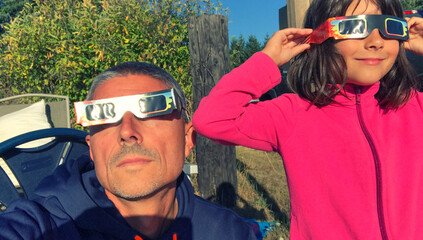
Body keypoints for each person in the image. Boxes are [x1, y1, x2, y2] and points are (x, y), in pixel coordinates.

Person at [192, 0, 423, 239]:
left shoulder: (414, 107)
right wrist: (267, 60)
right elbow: (212, 118)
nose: (375, 42)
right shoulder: (294, 114)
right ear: (320, 37)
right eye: (355, 27)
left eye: (390, 27)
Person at [0, 62, 257, 240]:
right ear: (91, 150)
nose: (127, 130)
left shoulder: (230, 232)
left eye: (152, 111)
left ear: (187, 140)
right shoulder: (46, 226)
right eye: (105, 118)